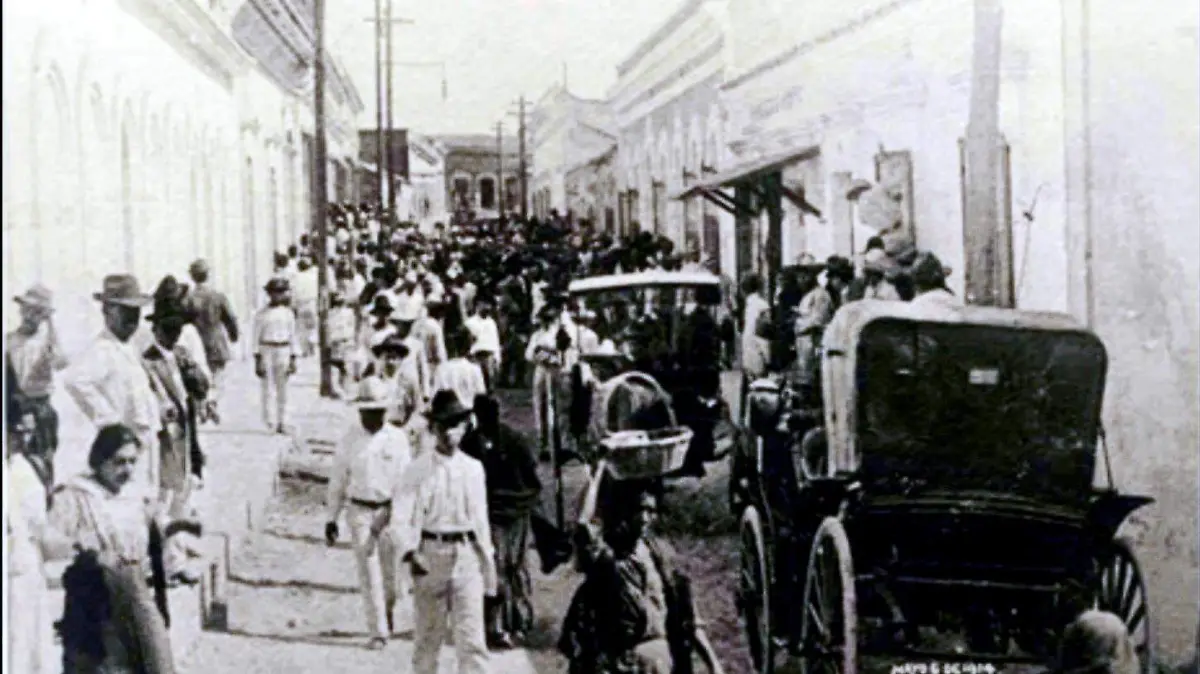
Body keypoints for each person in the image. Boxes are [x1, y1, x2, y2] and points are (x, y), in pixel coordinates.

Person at [560, 476, 724, 674]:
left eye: (651, 511)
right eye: (639, 510)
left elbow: (689, 617)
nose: (646, 518)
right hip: (624, 665)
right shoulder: (608, 561)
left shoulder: (661, 557)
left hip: (663, 663)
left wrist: (713, 663)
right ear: (625, 513)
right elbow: (584, 527)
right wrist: (599, 470)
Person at [49, 424, 178, 674]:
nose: (127, 470)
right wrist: (81, 547)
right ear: (100, 460)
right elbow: (51, 542)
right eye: (119, 462)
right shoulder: (76, 495)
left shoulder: (137, 496)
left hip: (135, 593)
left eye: (132, 462)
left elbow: (156, 544)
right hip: (93, 599)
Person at [392, 390, 498, 674]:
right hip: (431, 554)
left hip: (466, 555)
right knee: (428, 639)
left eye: (457, 424)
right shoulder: (417, 470)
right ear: (433, 428)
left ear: (465, 428)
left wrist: (486, 563)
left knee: (472, 641)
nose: (450, 432)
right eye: (443, 425)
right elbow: (400, 515)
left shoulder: (473, 469)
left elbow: (481, 521)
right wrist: (410, 552)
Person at [325, 377, 415, 650]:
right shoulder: (350, 439)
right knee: (369, 573)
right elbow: (338, 480)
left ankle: (386, 611)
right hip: (360, 511)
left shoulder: (398, 440)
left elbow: (406, 483)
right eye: (367, 411)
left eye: (377, 411)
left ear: (385, 412)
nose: (371, 417)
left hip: (390, 512)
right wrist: (332, 517)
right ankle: (378, 631)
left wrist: (398, 515)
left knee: (391, 579)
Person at [64, 275, 162, 490]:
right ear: (107, 311)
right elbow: (74, 380)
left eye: (135, 311)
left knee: (147, 497)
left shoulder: (129, 347)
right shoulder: (102, 349)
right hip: (123, 448)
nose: (132, 318)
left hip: (144, 441)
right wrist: (109, 420)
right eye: (124, 311)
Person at [464, 395, 542, 648]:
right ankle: (509, 624)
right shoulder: (507, 440)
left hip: (500, 514)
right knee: (510, 569)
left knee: (499, 569)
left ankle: (505, 624)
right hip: (509, 513)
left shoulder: (473, 442)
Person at [142, 279, 210, 514]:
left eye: (177, 329)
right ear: (156, 329)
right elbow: (153, 395)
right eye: (167, 329)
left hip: (186, 424)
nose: (173, 335)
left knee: (187, 477)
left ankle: (179, 534)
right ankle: (167, 537)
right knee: (167, 486)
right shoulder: (149, 361)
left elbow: (202, 387)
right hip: (167, 431)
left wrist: (192, 371)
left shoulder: (181, 354)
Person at [7, 283, 69, 465]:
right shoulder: (9, 341)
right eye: (26, 309)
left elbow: (60, 362)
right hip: (12, 407)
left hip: (40, 408)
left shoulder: (46, 343)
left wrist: (51, 324)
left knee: (43, 462)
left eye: (36, 312)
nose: (29, 315)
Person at [185, 259, 239, 422]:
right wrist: (233, 335)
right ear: (208, 275)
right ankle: (212, 401)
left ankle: (202, 404)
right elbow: (230, 318)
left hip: (195, 341)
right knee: (218, 376)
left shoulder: (188, 298)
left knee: (198, 374)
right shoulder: (217, 296)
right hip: (215, 341)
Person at [254, 278, 300, 434]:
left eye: (281, 292)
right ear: (269, 294)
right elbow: (256, 338)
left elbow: (293, 335)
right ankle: (270, 422)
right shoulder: (262, 314)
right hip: (267, 348)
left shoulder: (288, 313)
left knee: (283, 389)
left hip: (284, 349)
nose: (277, 296)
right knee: (267, 388)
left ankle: (283, 421)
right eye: (274, 292)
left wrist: (294, 358)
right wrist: (257, 359)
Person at [527, 305, 565, 460]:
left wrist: (550, 356)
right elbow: (529, 354)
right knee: (540, 406)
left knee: (554, 405)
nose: (545, 322)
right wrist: (541, 355)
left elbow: (563, 354)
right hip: (541, 370)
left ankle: (558, 443)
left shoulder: (559, 333)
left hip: (555, 370)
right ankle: (544, 445)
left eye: (548, 319)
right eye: (543, 319)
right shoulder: (537, 335)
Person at [465, 296, 502, 390]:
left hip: (489, 355)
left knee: (489, 382)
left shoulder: (491, 322)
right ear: (477, 306)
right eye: (483, 305)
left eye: (487, 306)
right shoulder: (469, 322)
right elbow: (466, 341)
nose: (486, 308)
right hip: (475, 355)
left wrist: (497, 357)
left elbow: (495, 341)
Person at [328, 291, 357, 398]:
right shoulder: (330, 313)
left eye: (340, 301)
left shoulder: (349, 312)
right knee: (336, 366)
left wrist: (351, 339)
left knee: (346, 367)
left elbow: (352, 326)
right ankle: (337, 389)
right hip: (336, 341)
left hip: (346, 340)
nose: (339, 304)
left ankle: (346, 389)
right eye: (337, 302)